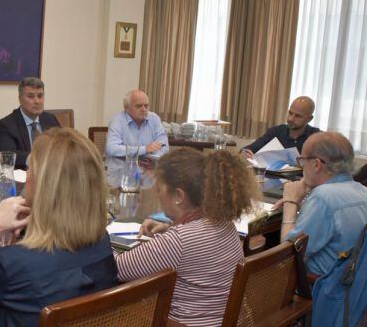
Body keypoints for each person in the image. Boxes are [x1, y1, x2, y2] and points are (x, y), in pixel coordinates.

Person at [0, 128, 117, 326]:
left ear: (43, 184)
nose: (26, 176)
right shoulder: (102, 242)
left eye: (30, 169)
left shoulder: (12, 263)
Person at [115, 148, 261, 327]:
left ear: (179, 196)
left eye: (159, 189)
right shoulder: (223, 222)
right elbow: (197, 245)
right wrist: (169, 227)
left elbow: (116, 270)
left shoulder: (179, 241)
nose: (156, 193)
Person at [276, 132, 367, 276]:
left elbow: (287, 253)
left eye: (302, 160)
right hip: (359, 283)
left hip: (322, 287)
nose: (302, 167)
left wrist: (290, 201)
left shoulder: (323, 197)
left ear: (316, 164)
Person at [0, 77, 60, 168]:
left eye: (40, 96)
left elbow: (61, 147)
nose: (37, 101)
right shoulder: (6, 125)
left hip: (50, 174)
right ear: (20, 99)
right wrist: (38, 159)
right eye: (30, 96)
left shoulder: (50, 120)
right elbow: (7, 157)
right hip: (22, 177)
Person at [241, 96, 320, 158]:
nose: (291, 119)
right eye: (290, 113)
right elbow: (249, 149)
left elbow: (327, 165)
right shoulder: (276, 131)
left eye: (298, 116)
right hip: (272, 176)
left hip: (301, 178)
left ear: (309, 119)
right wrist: (244, 152)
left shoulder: (317, 137)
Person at [105, 89, 169, 158]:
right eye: (139, 106)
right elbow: (111, 149)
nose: (143, 109)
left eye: (146, 106)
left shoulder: (154, 118)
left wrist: (153, 157)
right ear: (126, 108)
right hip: (123, 165)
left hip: (150, 164)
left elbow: (164, 145)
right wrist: (144, 149)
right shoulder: (117, 120)